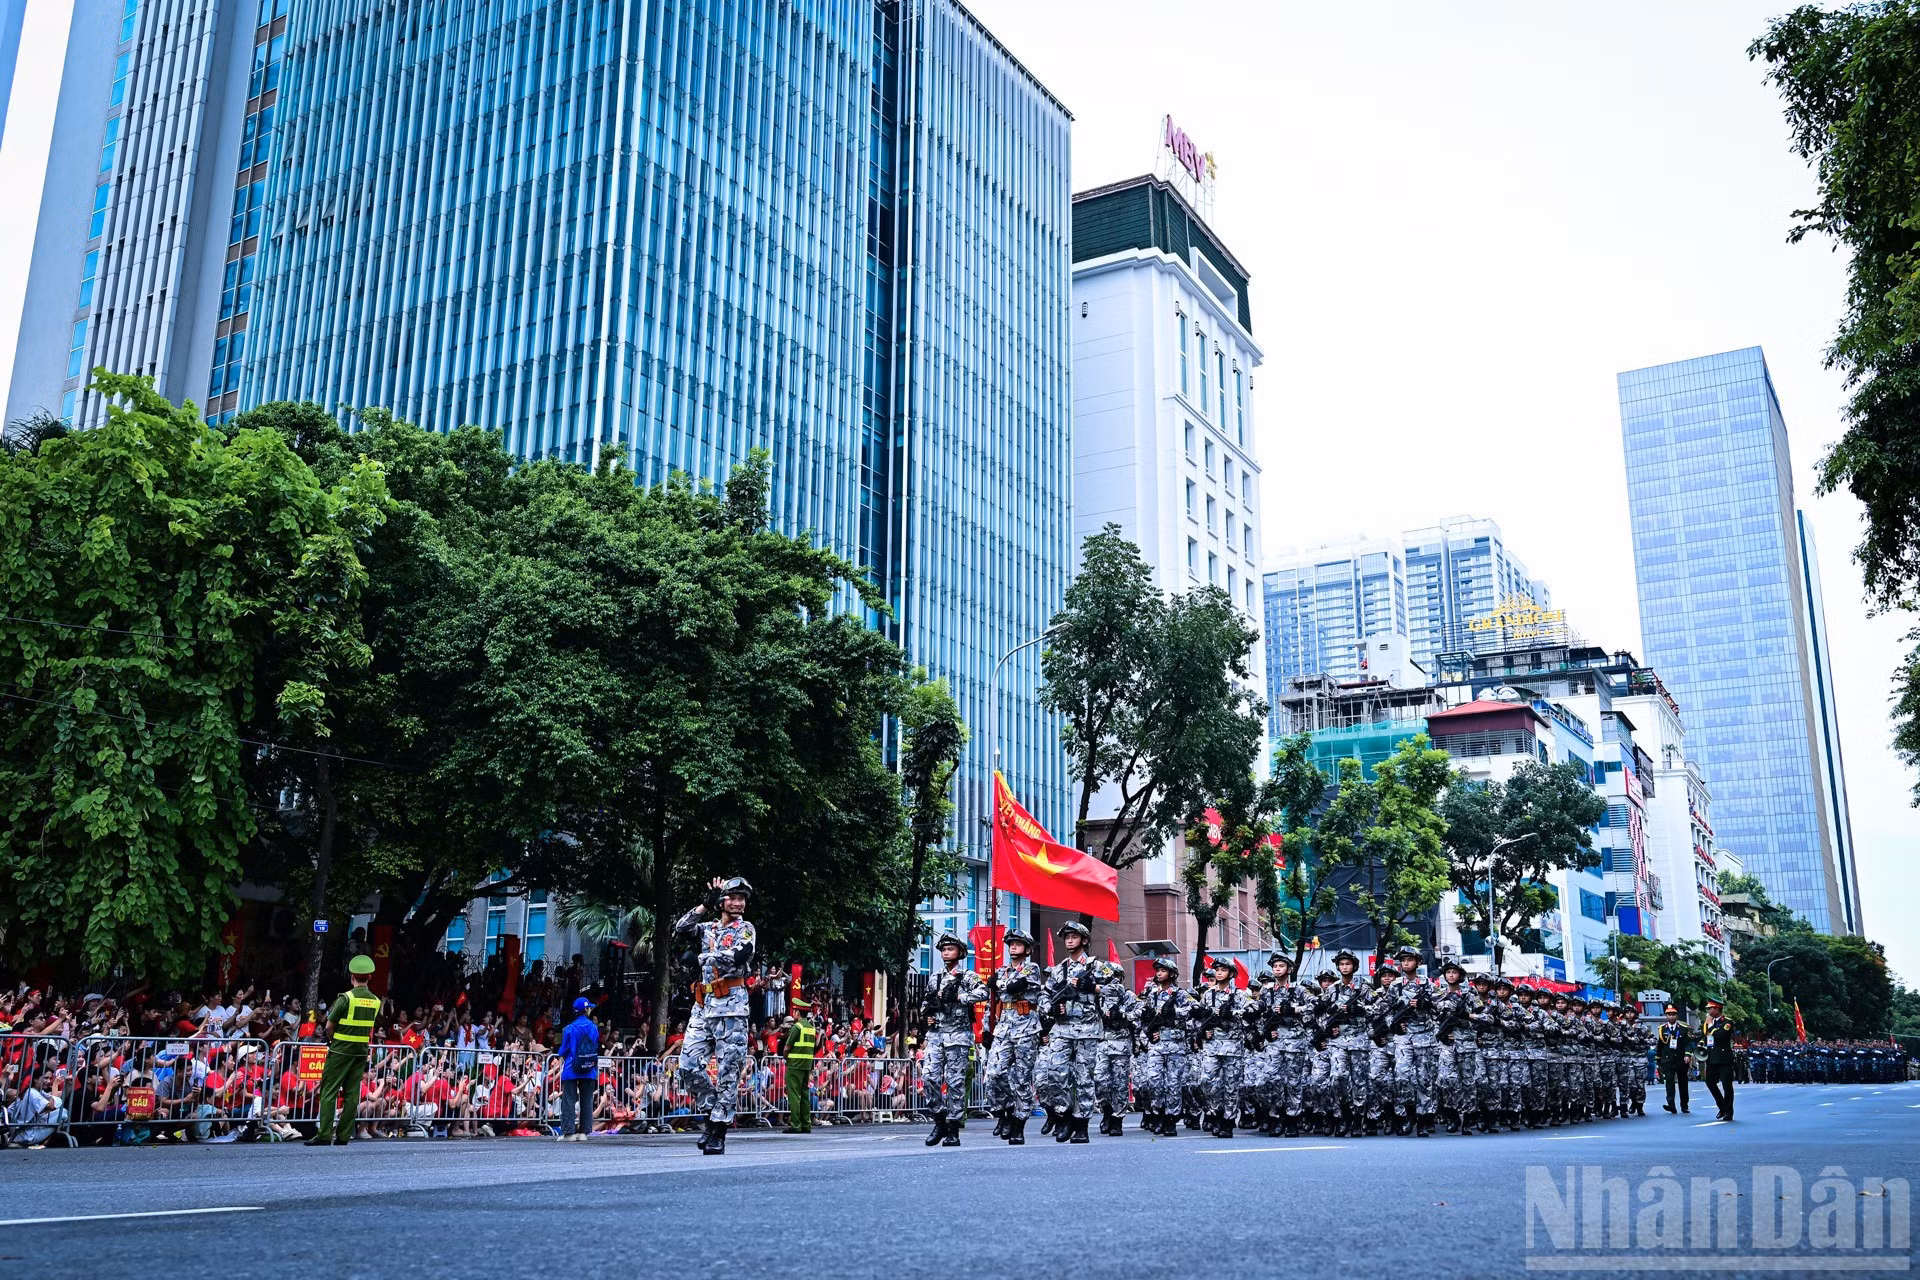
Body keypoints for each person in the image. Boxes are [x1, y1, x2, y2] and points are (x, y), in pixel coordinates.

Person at [674, 875, 758, 1156]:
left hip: (732, 1007)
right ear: (722, 900)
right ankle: (713, 1113)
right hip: (704, 1005)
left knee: (727, 1072)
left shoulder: (745, 928)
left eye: (742, 898)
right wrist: (703, 905)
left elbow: (739, 955)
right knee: (687, 1065)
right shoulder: (708, 927)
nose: (737, 903)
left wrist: (699, 959)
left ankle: (718, 1131)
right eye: (732, 897)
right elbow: (681, 928)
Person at [1036, 920, 1115, 1144]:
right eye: (1067, 937)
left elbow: (1117, 990)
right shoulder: (1059, 969)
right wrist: (1050, 1006)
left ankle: (1081, 1125)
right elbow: (1045, 994)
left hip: (1087, 1030)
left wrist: (1093, 987)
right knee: (1055, 1074)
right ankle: (1065, 1115)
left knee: (1083, 1079)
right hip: (1062, 1028)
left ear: (1084, 940)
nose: (1069, 940)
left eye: (1074, 936)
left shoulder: (1097, 967)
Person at [306, 955, 383, 1146]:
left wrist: (333, 1041)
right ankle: (343, 1135)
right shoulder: (375, 1001)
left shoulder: (345, 998)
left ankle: (324, 1134)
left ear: (352, 977)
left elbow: (329, 1026)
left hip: (340, 1049)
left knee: (329, 1091)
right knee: (352, 1094)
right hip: (360, 1052)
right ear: (370, 977)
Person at [920, 933, 987, 1147]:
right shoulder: (935, 977)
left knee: (955, 1083)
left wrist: (959, 997)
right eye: (943, 949)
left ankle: (953, 1128)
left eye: (950, 949)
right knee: (928, 1076)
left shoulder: (967, 976)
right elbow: (924, 1003)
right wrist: (928, 1013)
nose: (946, 952)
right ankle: (939, 1119)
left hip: (958, 1036)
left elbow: (983, 991)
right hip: (937, 1034)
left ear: (959, 952)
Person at [984, 929, 1044, 1144]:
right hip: (1003, 1028)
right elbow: (993, 1001)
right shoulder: (1002, 970)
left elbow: (1016, 986)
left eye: (1018, 944)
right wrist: (986, 1029)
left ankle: (1019, 1124)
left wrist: (997, 984)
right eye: (1010, 944)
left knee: (1021, 1079)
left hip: (1026, 1028)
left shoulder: (1031, 968)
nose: (1013, 947)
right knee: (993, 1074)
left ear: (1027, 949)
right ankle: (1004, 1111)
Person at [1193, 956, 1253, 1138]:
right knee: (1207, 1081)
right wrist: (1203, 1031)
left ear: (1231, 973)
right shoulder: (1208, 994)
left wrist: (1232, 1013)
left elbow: (1253, 1009)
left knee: (1230, 1086)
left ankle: (1227, 1121)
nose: (1219, 972)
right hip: (1212, 1046)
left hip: (1232, 1046)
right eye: (1217, 969)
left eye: (1223, 969)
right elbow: (1198, 1018)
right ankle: (1216, 1112)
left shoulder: (1238, 995)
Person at [1136, 956, 1192, 1136]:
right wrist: (1148, 1031)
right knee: (1153, 1082)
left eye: (1163, 970)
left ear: (1172, 974)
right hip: (1157, 1045)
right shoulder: (1152, 994)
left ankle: (1171, 1120)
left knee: (1173, 1084)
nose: (1159, 973)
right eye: (1157, 970)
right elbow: (1144, 1017)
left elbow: (1193, 1009)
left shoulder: (1180, 994)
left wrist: (1174, 1012)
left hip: (1175, 1045)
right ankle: (1158, 1115)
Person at [554, 996, 599, 1141]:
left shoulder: (569, 1028)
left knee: (569, 1099)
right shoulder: (593, 1027)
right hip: (589, 1067)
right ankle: (584, 1132)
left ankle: (569, 1132)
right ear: (585, 1009)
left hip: (571, 1068)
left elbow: (564, 1049)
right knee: (587, 1100)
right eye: (589, 1007)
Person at [780, 1000, 819, 1134]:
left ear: (797, 1013)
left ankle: (796, 1124)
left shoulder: (797, 1027)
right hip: (806, 1065)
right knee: (804, 1095)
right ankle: (806, 1124)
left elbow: (786, 1048)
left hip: (794, 1065)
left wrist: (786, 1057)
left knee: (794, 1095)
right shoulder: (811, 1028)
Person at [1699, 997, 1737, 1121]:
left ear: (1717, 1009)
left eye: (1710, 1008)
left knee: (1727, 1086)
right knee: (1709, 1082)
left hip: (1724, 1058)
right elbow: (1706, 1037)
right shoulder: (1708, 1023)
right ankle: (1722, 1106)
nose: (1708, 1010)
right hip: (1711, 1058)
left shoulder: (1727, 1022)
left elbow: (1721, 1036)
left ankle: (1728, 1112)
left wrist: (1710, 1025)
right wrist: (1700, 1044)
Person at [1654, 1004, 1694, 1115]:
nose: (1671, 1017)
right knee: (1669, 1082)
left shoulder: (1683, 1029)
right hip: (1667, 1060)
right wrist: (1658, 1059)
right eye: (1669, 1014)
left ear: (1676, 1015)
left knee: (1683, 1083)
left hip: (1681, 1060)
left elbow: (1688, 1043)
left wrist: (1687, 1055)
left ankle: (1684, 1105)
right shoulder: (1662, 1029)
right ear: (1666, 1016)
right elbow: (1660, 1045)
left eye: (1673, 1014)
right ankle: (1671, 1105)